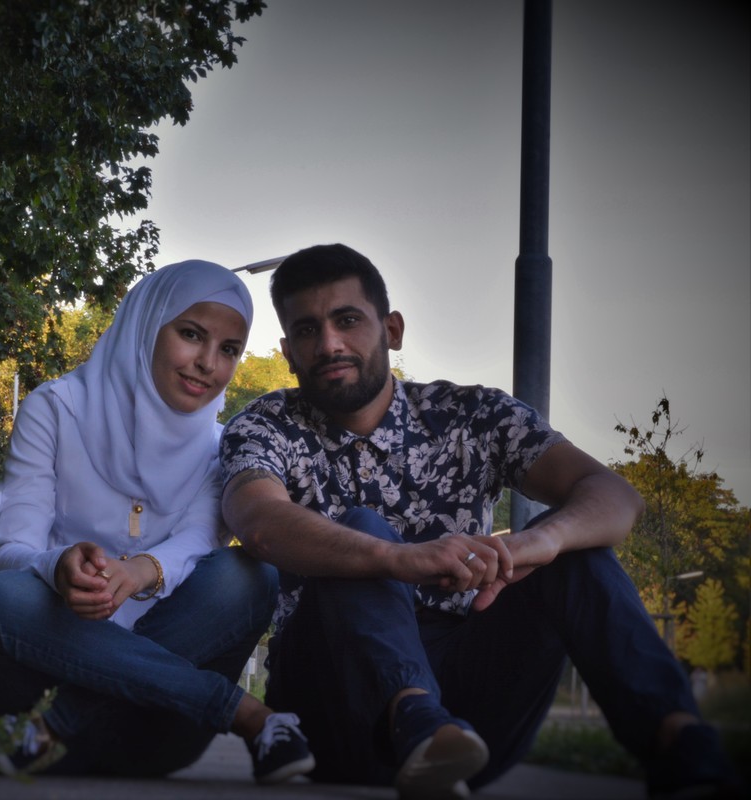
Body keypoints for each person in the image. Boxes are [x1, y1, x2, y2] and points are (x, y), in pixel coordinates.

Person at [219, 244, 742, 799]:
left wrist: (536, 542)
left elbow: (614, 497)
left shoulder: (473, 415)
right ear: (288, 351)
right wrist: (398, 558)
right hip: (334, 703)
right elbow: (260, 520)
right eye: (306, 331)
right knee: (363, 529)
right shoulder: (265, 424)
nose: (329, 344)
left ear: (392, 329)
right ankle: (415, 719)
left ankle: (682, 746)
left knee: (575, 551)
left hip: (470, 712)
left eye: (348, 320)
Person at [0, 260, 315, 785]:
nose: (206, 364)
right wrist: (58, 567)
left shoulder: (223, 448)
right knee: (2, 598)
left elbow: (199, 540)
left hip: (146, 736)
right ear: (148, 325)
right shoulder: (55, 410)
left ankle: (62, 724)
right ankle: (246, 715)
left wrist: (140, 572)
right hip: (30, 699)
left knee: (247, 575)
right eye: (191, 334)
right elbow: (11, 549)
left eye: (228, 350)